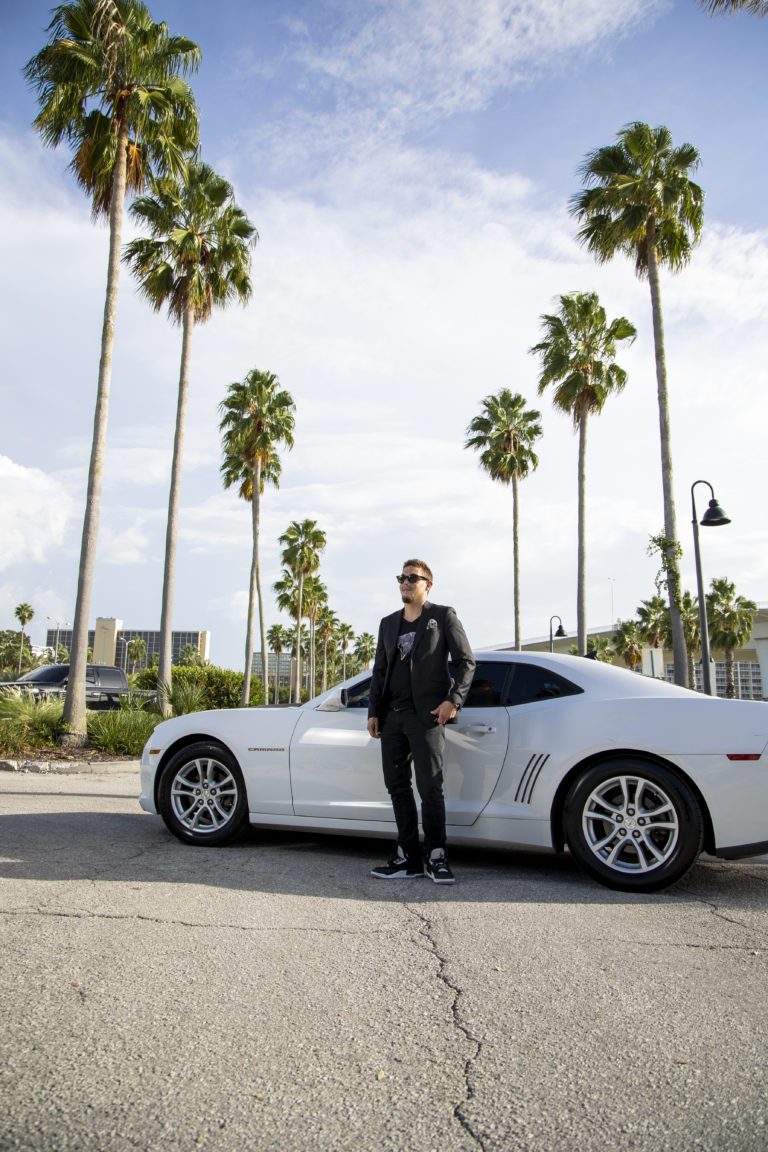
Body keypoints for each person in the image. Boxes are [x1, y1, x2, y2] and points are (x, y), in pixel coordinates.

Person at [367, 559, 475, 884]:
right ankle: (408, 858)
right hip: (392, 717)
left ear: (428, 584)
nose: (405, 582)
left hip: (426, 716)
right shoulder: (388, 624)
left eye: (413, 578)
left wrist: (452, 701)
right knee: (397, 787)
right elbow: (380, 671)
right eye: (402, 577)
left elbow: (466, 662)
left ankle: (436, 855)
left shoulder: (442, 617)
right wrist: (374, 711)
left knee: (430, 788)